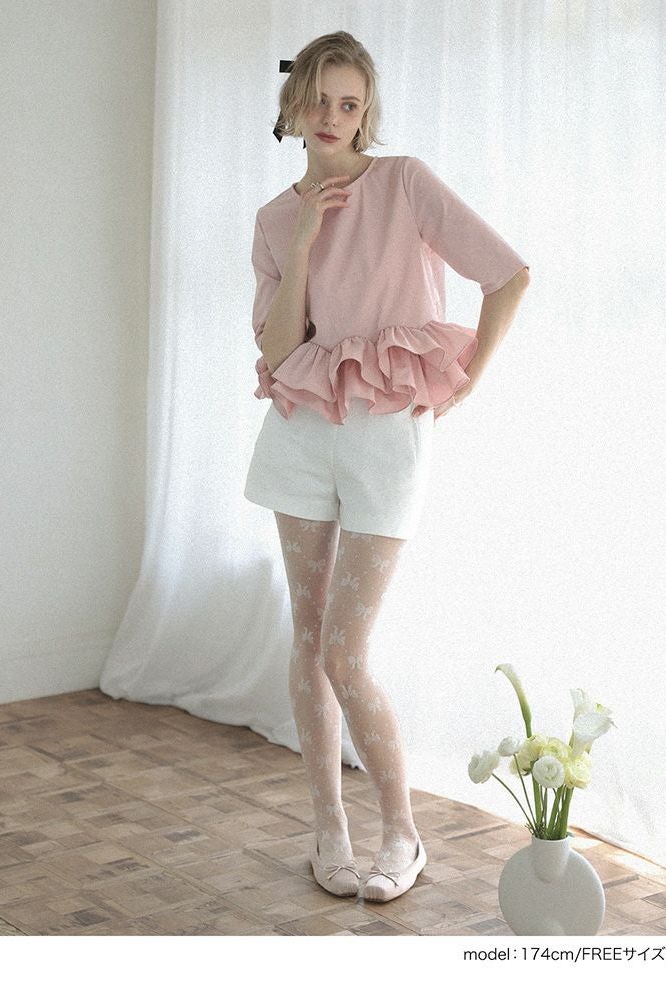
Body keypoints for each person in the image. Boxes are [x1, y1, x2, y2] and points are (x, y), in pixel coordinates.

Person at [244, 31, 529, 903]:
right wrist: (304, 243)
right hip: (301, 432)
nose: (331, 117)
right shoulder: (274, 219)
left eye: (349, 103)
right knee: (306, 637)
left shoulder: (405, 183)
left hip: (386, 437)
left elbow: (508, 275)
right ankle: (328, 825)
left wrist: (468, 380)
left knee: (345, 650)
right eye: (318, 100)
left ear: (366, 111)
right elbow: (280, 349)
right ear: (293, 105)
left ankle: (402, 833)